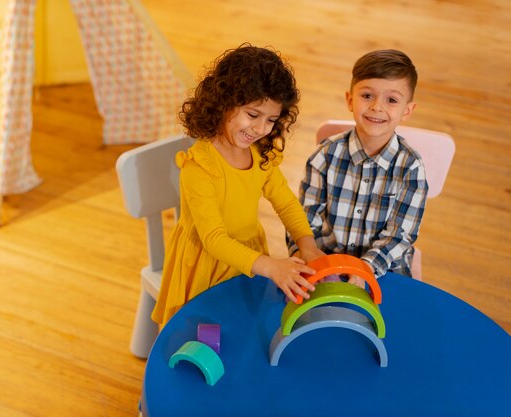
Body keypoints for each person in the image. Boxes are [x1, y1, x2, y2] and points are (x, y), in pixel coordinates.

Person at [152, 44, 325, 325]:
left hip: (249, 254)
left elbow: (285, 201)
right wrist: (272, 267)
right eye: (252, 115)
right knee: (204, 332)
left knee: (243, 326)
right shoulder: (200, 167)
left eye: (271, 120)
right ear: (222, 102)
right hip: (206, 264)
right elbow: (214, 241)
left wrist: (306, 243)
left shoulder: (261, 153)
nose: (260, 129)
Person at [287, 49, 427, 286]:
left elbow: (399, 236)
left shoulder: (411, 168)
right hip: (326, 266)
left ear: (407, 110)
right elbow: (305, 218)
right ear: (350, 99)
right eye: (367, 96)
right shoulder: (325, 155)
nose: (376, 107)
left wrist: (365, 269)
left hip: (383, 270)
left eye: (391, 100)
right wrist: (309, 257)